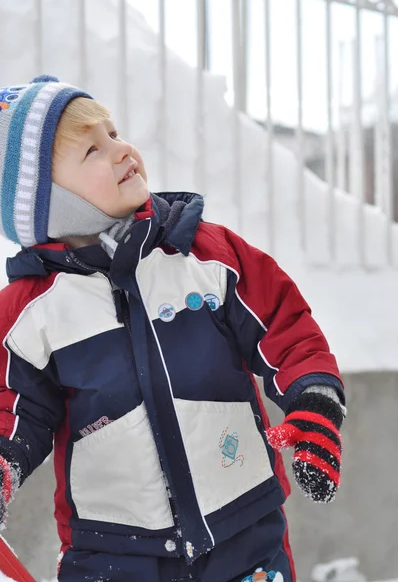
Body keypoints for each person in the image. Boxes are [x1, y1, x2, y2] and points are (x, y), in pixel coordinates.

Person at [0, 75, 345, 582]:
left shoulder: (203, 255)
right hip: (112, 552)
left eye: (114, 133)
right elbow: (12, 406)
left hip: (244, 530)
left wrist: (313, 400)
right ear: (43, 198)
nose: (122, 150)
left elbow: (286, 326)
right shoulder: (33, 311)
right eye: (94, 149)